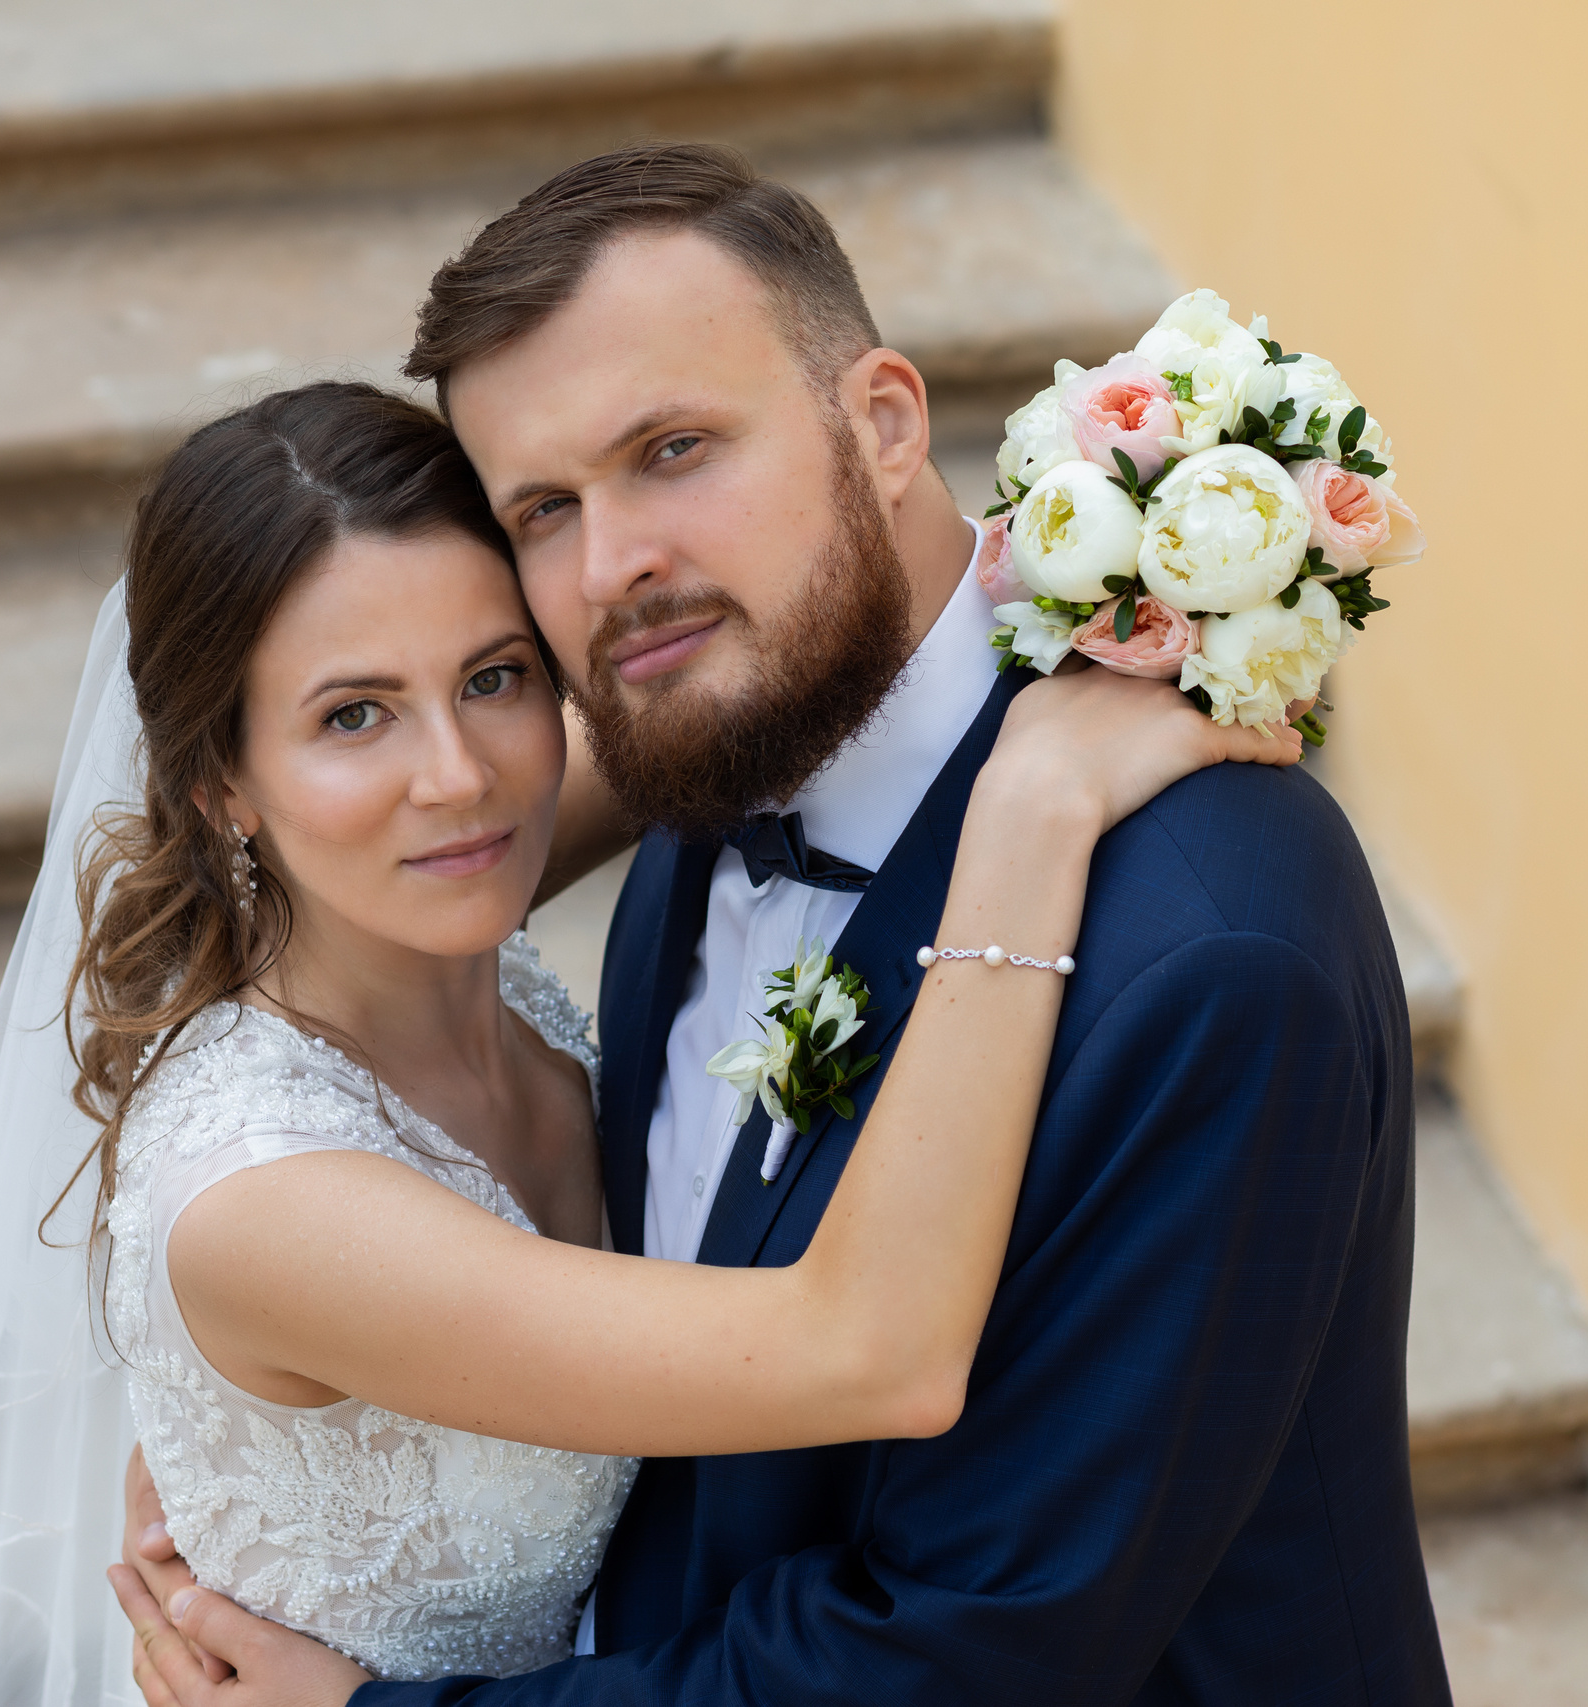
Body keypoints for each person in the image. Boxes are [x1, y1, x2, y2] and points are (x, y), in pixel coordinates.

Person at [106, 144, 1453, 1705]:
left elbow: (964, 1652)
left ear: (884, 422)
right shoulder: (713, 770)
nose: (614, 569)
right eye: (545, 507)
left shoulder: (1207, 947)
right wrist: (262, 1448)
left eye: (674, 448)